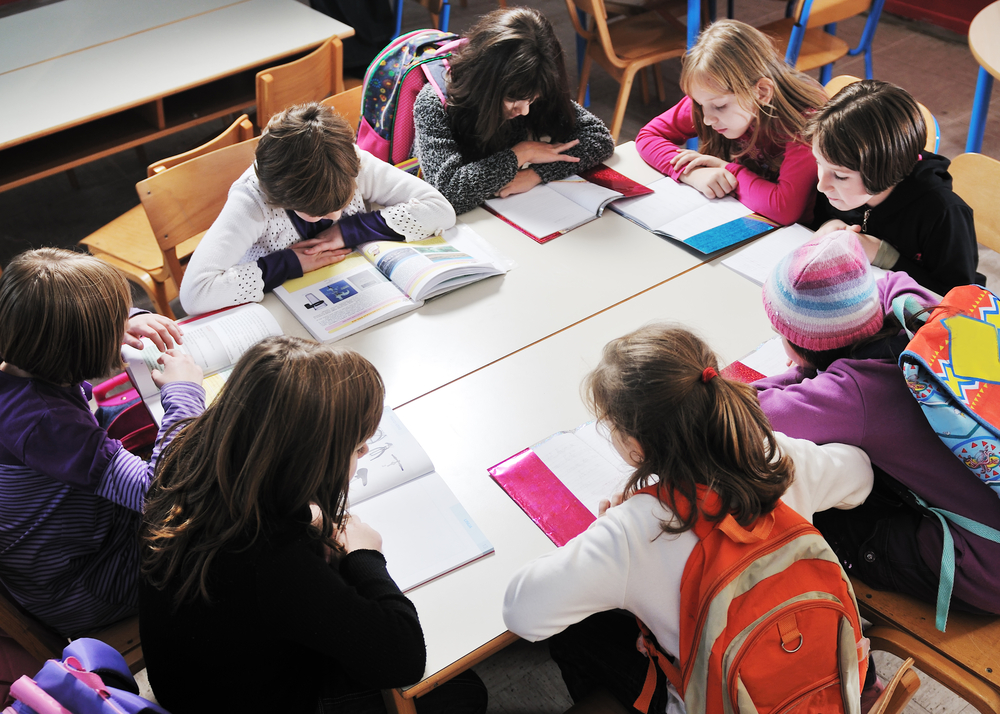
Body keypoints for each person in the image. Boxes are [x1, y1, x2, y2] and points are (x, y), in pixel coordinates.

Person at [502, 324, 873, 713]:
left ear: (635, 447)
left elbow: (522, 614)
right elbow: (860, 475)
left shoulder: (632, 530)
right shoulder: (775, 457)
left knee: (578, 633)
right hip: (836, 684)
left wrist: (605, 531)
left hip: (715, 702)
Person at [139, 336, 487, 714]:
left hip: (188, 678)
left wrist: (307, 517)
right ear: (311, 463)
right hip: (249, 700)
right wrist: (364, 555)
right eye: (356, 448)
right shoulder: (272, 562)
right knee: (461, 690)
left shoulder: (188, 454)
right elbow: (401, 657)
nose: (366, 451)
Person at [755, 230, 1000, 617]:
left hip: (985, 569)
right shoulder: (922, 313)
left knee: (820, 516)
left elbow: (750, 412)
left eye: (780, 335)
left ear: (800, 343)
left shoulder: (854, 393)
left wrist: (801, 375)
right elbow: (893, 282)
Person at [0, 248, 205, 637]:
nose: (123, 329)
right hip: (87, 585)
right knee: (220, 524)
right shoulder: (47, 424)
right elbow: (161, 493)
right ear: (79, 345)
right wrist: (182, 392)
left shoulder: (24, 365)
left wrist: (130, 320)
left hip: (80, 540)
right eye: (116, 324)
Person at [180, 103, 457, 315]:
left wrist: (347, 231)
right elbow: (194, 295)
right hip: (279, 307)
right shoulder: (254, 199)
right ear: (283, 199)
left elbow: (439, 209)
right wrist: (290, 263)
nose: (334, 217)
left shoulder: (346, 160)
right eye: (319, 214)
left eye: (341, 206)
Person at [412, 6, 615, 216]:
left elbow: (598, 138)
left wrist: (536, 174)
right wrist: (521, 153)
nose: (525, 110)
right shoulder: (434, 102)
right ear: (486, 83)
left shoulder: (531, 80)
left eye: (533, 98)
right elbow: (447, 194)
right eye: (512, 99)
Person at [635, 20, 827, 226]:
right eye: (699, 105)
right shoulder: (712, 97)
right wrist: (691, 172)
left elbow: (783, 209)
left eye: (719, 106)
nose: (707, 119)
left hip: (799, 233)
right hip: (744, 213)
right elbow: (648, 136)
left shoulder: (804, 123)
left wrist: (728, 170)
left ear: (761, 92)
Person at [808, 80, 982, 295]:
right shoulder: (837, 184)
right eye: (818, 162)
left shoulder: (944, 213)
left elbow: (954, 300)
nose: (821, 184)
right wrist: (829, 224)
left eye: (841, 176)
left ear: (884, 169)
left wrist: (882, 255)